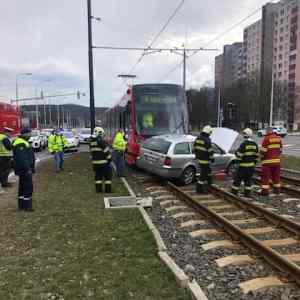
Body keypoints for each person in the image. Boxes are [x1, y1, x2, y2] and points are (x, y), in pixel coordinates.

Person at [231, 128, 259, 197]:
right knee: (248, 180)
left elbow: (239, 154)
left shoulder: (244, 144)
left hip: (243, 166)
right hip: (251, 167)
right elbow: (256, 155)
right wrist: (253, 163)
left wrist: (236, 153)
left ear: (245, 135)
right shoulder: (255, 144)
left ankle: (234, 192)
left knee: (238, 179)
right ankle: (247, 193)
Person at [12, 128, 35, 211]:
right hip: (25, 169)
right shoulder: (21, 143)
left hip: (22, 169)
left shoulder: (22, 141)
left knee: (22, 187)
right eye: (29, 133)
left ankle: (22, 205)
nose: (30, 135)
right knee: (28, 187)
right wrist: (28, 169)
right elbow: (22, 158)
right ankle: (27, 206)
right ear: (25, 134)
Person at [260, 126, 283, 197]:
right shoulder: (279, 138)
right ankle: (277, 190)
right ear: (272, 131)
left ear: (267, 131)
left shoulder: (266, 139)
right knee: (276, 177)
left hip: (267, 162)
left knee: (265, 178)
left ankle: (265, 192)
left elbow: (263, 151)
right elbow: (280, 150)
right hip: (277, 162)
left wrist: (261, 156)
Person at [90, 127, 112, 193]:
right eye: (102, 134)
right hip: (104, 163)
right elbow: (106, 152)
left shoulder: (91, 142)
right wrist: (110, 159)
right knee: (108, 176)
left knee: (98, 177)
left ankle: (98, 190)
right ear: (100, 133)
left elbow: (92, 153)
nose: (102, 135)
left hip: (95, 164)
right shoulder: (101, 141)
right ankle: (108, 190)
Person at [194, 125, 214, 193]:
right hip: (205, 160)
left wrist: (197, 155)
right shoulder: (207, 140)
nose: (210, 134)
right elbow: (210, 151)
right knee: (203, 175)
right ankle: (199, 189)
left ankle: (210, 183)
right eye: (210, 133)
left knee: (208, 171)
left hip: (199, 159)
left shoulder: (198, 138)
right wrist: (212, 158)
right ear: (208, 132)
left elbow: (195, 148)